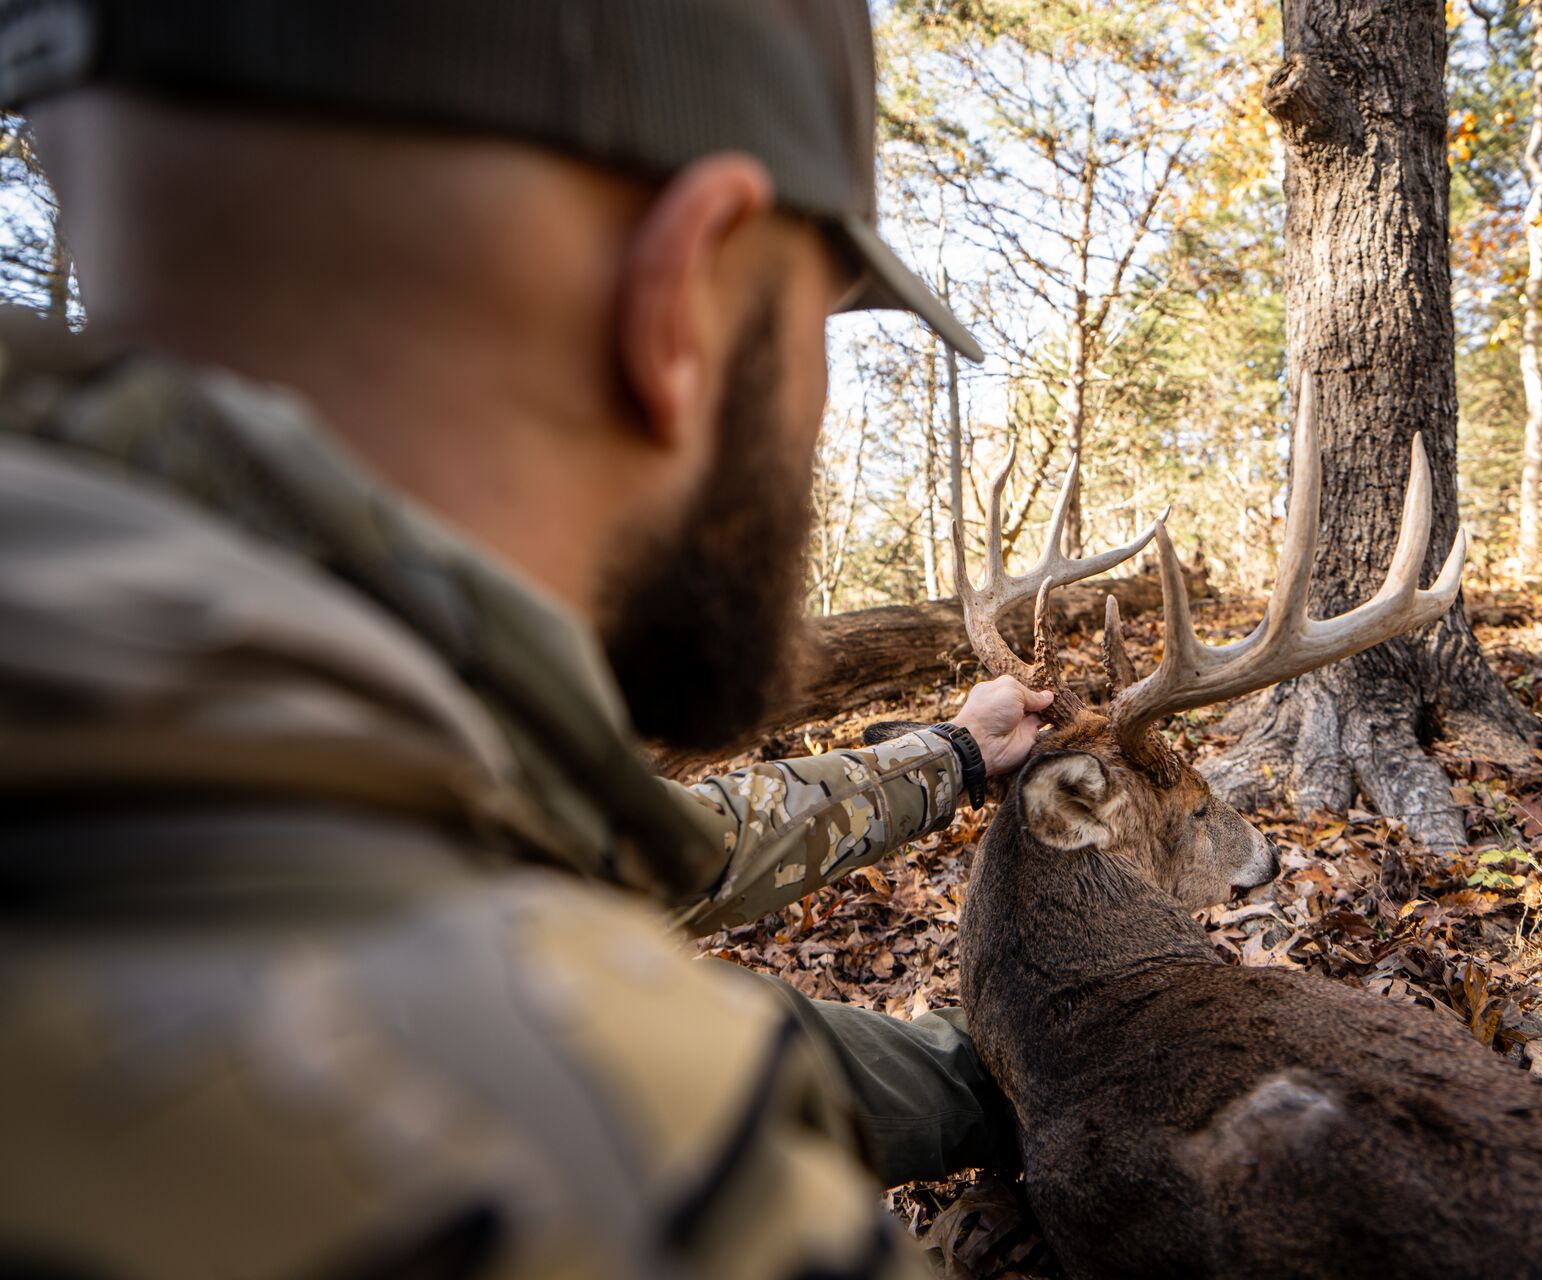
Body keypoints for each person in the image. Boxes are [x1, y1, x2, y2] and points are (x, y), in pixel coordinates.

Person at [0, 2, 1047, 1276]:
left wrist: (944, 755)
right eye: (816, 320)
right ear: (683, 300)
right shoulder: (647, 1198)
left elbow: (637, 859)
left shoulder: (172, 703)